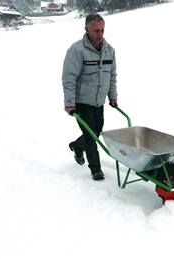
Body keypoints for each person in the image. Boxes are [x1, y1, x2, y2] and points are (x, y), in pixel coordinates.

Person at [62, 14, 118, 181]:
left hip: (98, 101)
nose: (99, 34)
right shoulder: (77, 50)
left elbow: (112, 76)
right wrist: (69, 103)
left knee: (96, 130)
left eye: (102, 30)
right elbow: (69, 77)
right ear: (86, 30)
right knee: (90, 135)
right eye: (96, 31)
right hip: (82, 101)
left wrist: (112, 96)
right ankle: (96, 169)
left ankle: (76, 146)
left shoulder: (109, 50)